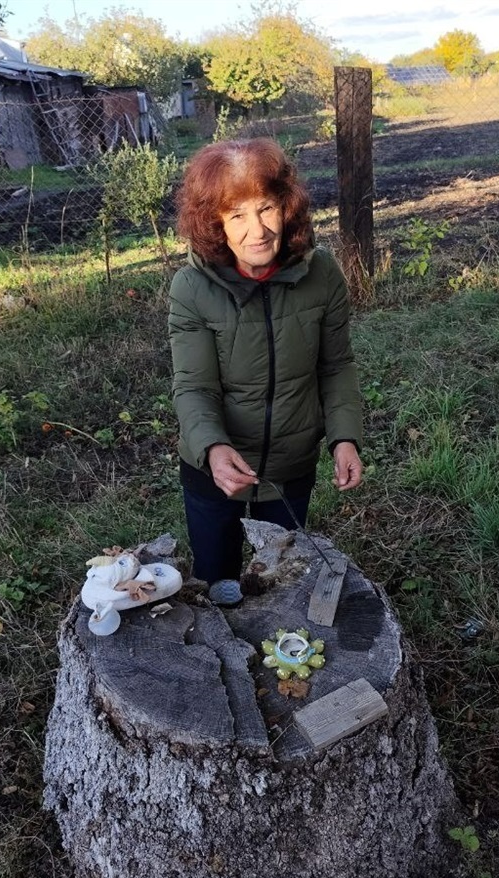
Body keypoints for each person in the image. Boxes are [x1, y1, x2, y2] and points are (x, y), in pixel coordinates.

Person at [168, 138, 364, 600]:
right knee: (215, 586)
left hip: (290, 468)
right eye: (236, 215)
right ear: (214, 223)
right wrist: (213, 448)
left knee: (279, 585)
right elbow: (194, 387)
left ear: (286, 207)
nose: (257, 230)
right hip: (213, 475)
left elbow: (336, 365)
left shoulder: (322, 274)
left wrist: (344, 437)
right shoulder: (191, 288)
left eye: (266, 208)